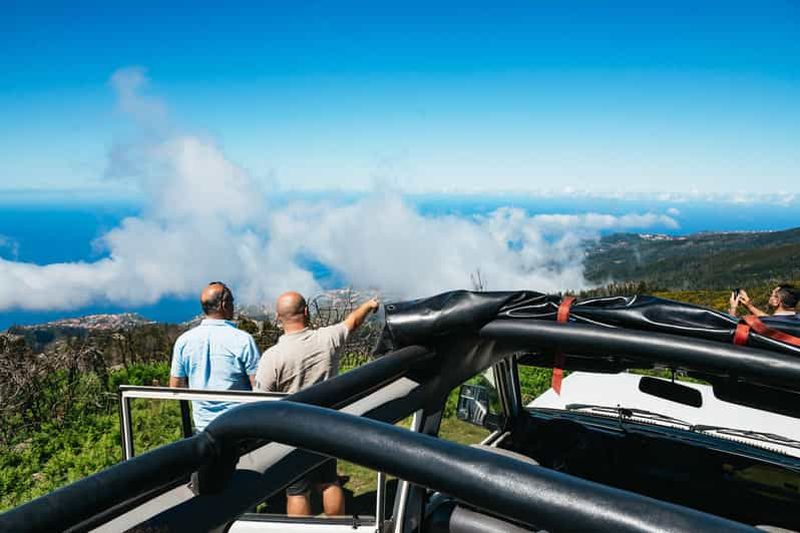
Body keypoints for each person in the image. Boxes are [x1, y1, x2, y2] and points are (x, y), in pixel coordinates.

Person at [255, 291, 380, 517]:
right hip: (326, 425)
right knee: (329, 481)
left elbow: (260, 399)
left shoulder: (272, 357)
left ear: (278, 318)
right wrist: (369, 305)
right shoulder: (327, 338)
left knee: (297, 490)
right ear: (306, 312)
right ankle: (337, 526)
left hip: (290, 431)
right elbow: (352, 321)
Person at [169, 281, 260, 431]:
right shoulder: (243, 339)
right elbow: (258, 386)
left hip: (203, 429)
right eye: (232, 301)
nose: (233, 306)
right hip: (240, 427)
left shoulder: (183, 341)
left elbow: (175, 387)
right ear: (224, 304)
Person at [730, 284, 799, 320]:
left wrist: (733, 308)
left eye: (772, 295)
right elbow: (768, 318)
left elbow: (734, 328)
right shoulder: (796, 319)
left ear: (776, 301)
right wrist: (749, 306)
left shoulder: (767, 324)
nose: (770, 296)